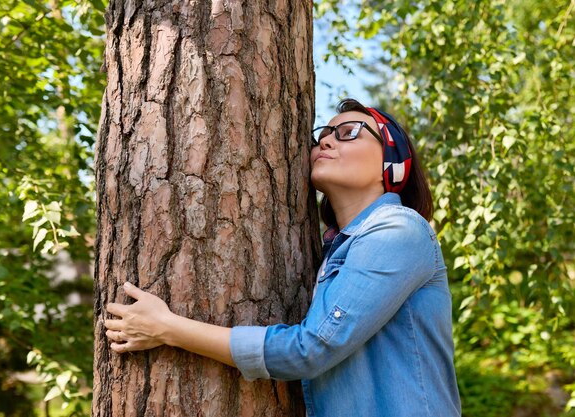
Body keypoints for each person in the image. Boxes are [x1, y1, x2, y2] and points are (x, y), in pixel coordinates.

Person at [104, 98, 462, 417]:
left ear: (393, 160)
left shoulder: (399, 230)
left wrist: (167, 328)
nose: (326, 140)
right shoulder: (331, 248)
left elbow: (311, 348)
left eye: (349, 132)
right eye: (324, 134)